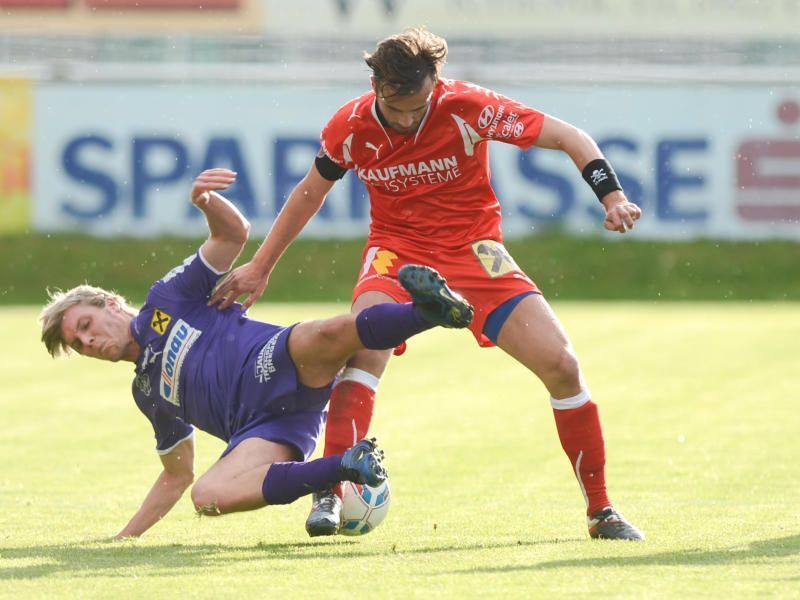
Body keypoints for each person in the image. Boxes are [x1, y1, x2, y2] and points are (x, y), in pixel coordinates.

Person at [209, 28, 645, 541]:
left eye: (418, 108)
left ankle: (601, 511)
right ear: (376, 86)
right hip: (396, 254)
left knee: (563, 367)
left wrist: (611, 196)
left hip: (475, 252)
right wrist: (261, 265)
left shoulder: (468, 106)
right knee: (362, 348)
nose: (409, 121)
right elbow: (309, 194)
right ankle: (330, 491)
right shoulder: (349, 126)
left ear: (435, 81)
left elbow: (570, 138)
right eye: (397, 111)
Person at [39, 167, 473, 539]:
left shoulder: (165, 299)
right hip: (266, 428)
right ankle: (346, 466)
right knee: (208, 497)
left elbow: (233, 234)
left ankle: (433, 311)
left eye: (85, 326)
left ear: (110, 304)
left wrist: (205, 200)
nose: (89, 342)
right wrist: (123, 538)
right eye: (79, 345)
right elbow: (177, 475)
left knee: (327, 335)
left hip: (271, 359)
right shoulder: (146, 392)